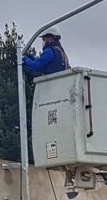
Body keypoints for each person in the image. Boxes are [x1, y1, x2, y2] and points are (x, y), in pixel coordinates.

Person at [22, 26, 71, 164]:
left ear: (50, 38)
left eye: (44, 38)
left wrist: (23, 60)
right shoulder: (61, 52)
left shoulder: (50, 51)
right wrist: (31, 58)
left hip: (51, 87)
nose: (43, 41)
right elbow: (40, 62)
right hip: (60, 87)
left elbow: (37, 66)